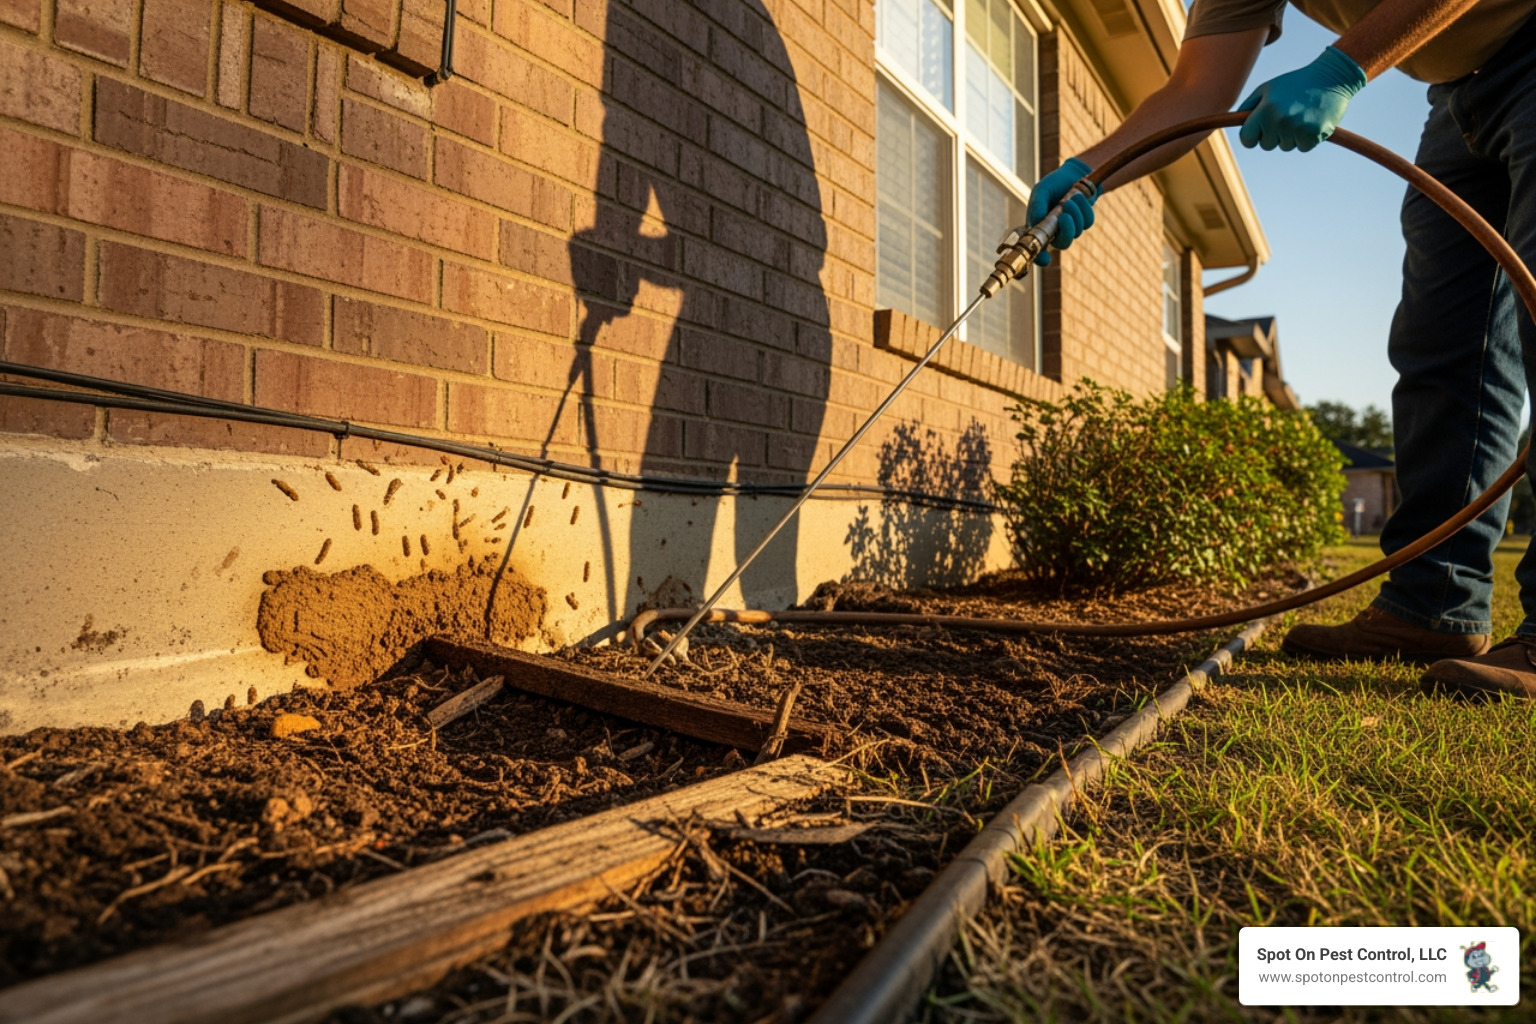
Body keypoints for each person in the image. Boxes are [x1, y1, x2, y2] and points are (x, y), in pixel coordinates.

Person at [1027, 0, 1536, 699]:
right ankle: (1434, 605)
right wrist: (1089, 172)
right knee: (1445, 348)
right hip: (1461, 90)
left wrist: (1340, 67)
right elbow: (1196, 90)